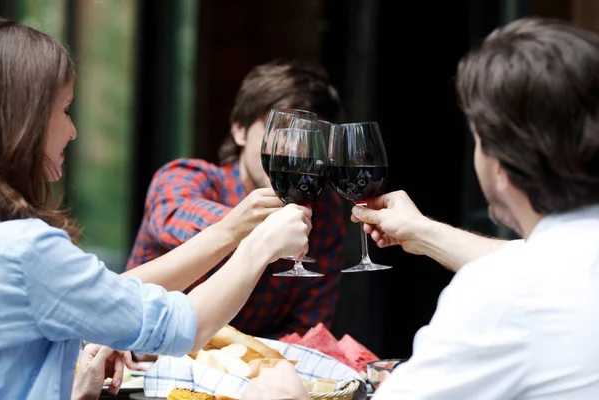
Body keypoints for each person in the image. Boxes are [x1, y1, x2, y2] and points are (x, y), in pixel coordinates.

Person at [243, 16, 599, 399]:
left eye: (477, 139)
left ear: (501, 167)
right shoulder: (562, 261)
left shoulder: (499, 295)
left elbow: (519, 276)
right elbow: (537, 261)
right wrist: (423, 231)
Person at [0, 19, 312, 400]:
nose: (73, 130)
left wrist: (230, 231)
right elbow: (183, 326)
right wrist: (259, 245)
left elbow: (113, 293)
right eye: (65, 110)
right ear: (24, 120)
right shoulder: (27, 248)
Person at [126, 59, 346, 339]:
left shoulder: (325, 210)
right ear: (239, 130)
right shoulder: (187, 177)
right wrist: (253, 227)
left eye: (309, 140)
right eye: (282, 133)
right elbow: (175, 216)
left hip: (252, 375)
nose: (296, 153)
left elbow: (307, 330)